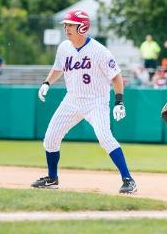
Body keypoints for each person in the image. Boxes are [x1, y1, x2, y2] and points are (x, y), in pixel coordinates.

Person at [32, 10, 137, 194]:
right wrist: (47, 82)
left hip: (96, 101)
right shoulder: (64, 47)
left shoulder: (99, 51)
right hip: (71, 99)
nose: (66, 28)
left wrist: (119, 102)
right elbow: (58, 68)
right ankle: (52, 178)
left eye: (70, 25)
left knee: (105, 137)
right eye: (66, 25)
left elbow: (117, 77)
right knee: (50, 139)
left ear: (83, 27)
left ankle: (128, 180)